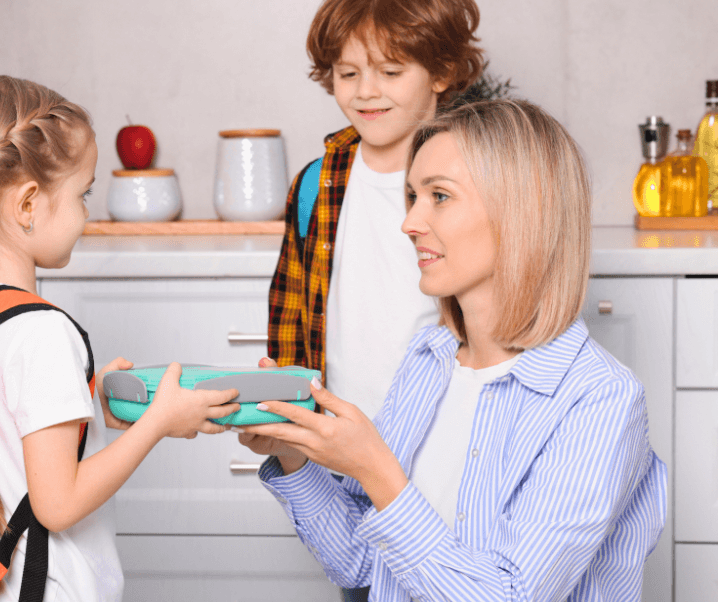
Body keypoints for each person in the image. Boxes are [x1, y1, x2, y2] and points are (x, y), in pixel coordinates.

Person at [239, 99, 668, 601]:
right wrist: (296, 455)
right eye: (412, 195)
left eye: (439, 196)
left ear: (522, 209)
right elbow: (361, 563)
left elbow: (508, 595)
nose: (410, 223)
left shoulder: (600, 400)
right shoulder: (430, 357)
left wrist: (378, 470)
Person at [0, 75, 240, 602]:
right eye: (82, 193)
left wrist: (88, 403)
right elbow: (58, 503)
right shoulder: (42, 331)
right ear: (28, 205)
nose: (87, 213)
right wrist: (158, 423)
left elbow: (8, 434)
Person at [268, 0, 486, 422]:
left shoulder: (480, 179)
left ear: (442, 72)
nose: (365, 92)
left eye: (390, 72)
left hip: (443, 433)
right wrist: (287, 420)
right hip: (335, 440)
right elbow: (290, 321)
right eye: (348, 73)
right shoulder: (316, 183)